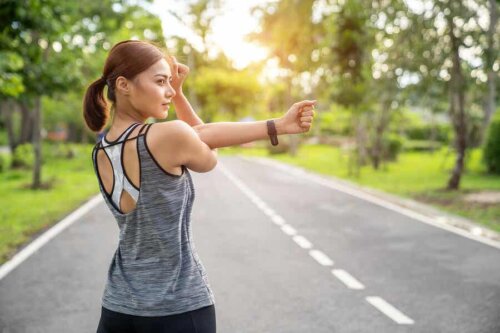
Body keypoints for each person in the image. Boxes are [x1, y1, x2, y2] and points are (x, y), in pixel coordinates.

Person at [82, 39, 316, 333]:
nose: (168, 90)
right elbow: (207, 150)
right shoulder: (166, 136)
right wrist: (278, 125)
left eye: (170, 82)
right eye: (160, 81)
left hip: (117, 308)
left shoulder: (101, 148)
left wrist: (178, 96)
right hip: (177, 308)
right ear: (124, 85)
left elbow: (196, 135)